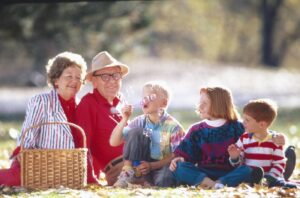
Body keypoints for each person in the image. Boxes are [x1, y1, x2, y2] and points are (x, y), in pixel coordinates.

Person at [169, 87, 288, 189]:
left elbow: (259, 130)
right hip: (204, 173)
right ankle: (214, 185)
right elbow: (186, 152)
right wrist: (180, 158)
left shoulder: (237, 127)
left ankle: (275, 174)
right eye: (200, 102)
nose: (199, 106)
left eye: (204, 103)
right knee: (179, 168)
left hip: (231, 172)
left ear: (218, 105)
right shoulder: (196, 130)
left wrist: (276, 136)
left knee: (248, 170)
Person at [0, 51, 87, 186]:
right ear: (56, 80)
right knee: (19, 180)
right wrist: (23, 154)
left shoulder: (82, 105)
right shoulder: (42, 101)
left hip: (68, 171)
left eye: (78, 77)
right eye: (69, 76)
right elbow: (28, 132)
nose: (74, 81)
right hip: (38, 164)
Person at [110, 81, 185, 187]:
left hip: (162, 166)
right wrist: (124, 119)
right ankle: (128, 173)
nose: (144, 101)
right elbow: (114, 142)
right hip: (141, 166)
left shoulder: (174, 127)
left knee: (165, 181)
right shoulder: (140, 122)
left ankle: (146, 182)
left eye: (150, 97)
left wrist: (152, 166)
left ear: (163, 103)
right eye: (143, 98)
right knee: (137, 131)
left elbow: (176, 155)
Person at [76, 51, 129, 185]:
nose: (112, 81)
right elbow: (82, 146)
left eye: (116, 75)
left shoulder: (121, 100)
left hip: (141, 161)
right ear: (94, 82)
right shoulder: (88, 104)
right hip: (120, 169)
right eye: (105, 76)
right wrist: (90, 179)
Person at [228, 99, 299, 188]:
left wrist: (270, 177)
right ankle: (259, 181)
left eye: (247, 120)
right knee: (244, 178)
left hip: (270, 178)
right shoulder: (244, 139)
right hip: (249, 177)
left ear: (261, 124)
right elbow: (239, 163)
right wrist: (234, 158)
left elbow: (279, 163)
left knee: (278, 182)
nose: (243, 122)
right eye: (244, 118)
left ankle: (287, 183)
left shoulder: (275, 141)